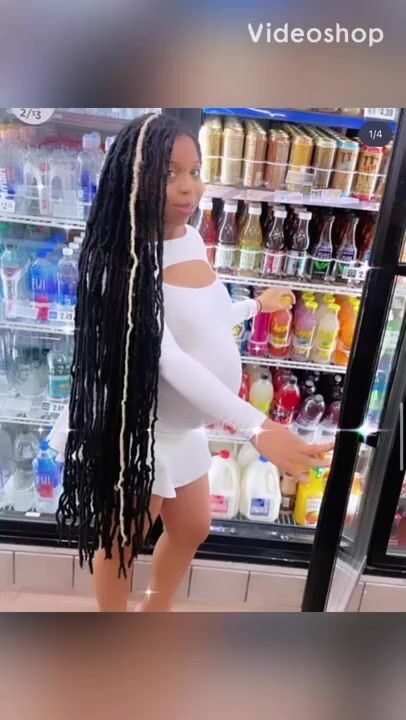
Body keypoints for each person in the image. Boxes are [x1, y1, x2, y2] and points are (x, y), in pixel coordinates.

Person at [50, 112, 333, 612]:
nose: (189, 188)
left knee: (193, 527)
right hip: (138, 429)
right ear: (132, 179)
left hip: (182, 429)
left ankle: (154, 610)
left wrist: (254, 306)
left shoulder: (191, 237)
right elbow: (168, 359)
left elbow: (203, 318)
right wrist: (256, 426)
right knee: (122, 542)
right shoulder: (122, 263)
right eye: (169, 174)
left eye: (195, 171)